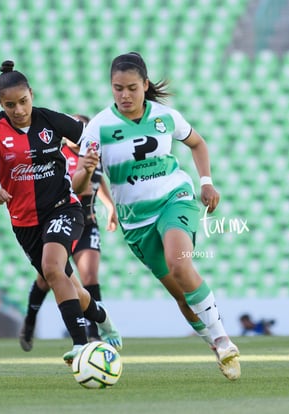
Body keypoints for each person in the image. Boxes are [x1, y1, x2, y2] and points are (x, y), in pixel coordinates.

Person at [73, 52, 241, 380]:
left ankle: (224, 339)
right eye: (117, 88)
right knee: (180, 295)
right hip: (136, 222)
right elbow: (79, 186)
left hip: (174, 200)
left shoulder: (165, 116)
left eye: (132, 88)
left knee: (180, 263)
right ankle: (214, 346)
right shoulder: (98, 128)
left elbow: (198, 143)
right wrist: (86, 169)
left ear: (145, 85)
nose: (124, 95)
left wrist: (206, 183)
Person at [0, 60, 121, 364]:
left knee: (53, 269)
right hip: (24, 224)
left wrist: (91, 154)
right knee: (69, 285)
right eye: (10, 104)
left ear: (32, 94)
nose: (18, 109)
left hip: (63, 209)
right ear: (0, 103)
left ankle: (82, 346)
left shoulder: (49, 120)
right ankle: (103, 319)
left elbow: (90, 135)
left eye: (23, 101)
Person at [20, 114, 118, 351]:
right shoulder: (59, 155)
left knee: (90, 276)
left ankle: (93, 333)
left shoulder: (93, 156)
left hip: (86, 223)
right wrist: (86, 170)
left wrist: (109, 205)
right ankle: (30, 322)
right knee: (47, 278)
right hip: (59, 220)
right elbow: (77, 187)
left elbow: (98, 179)